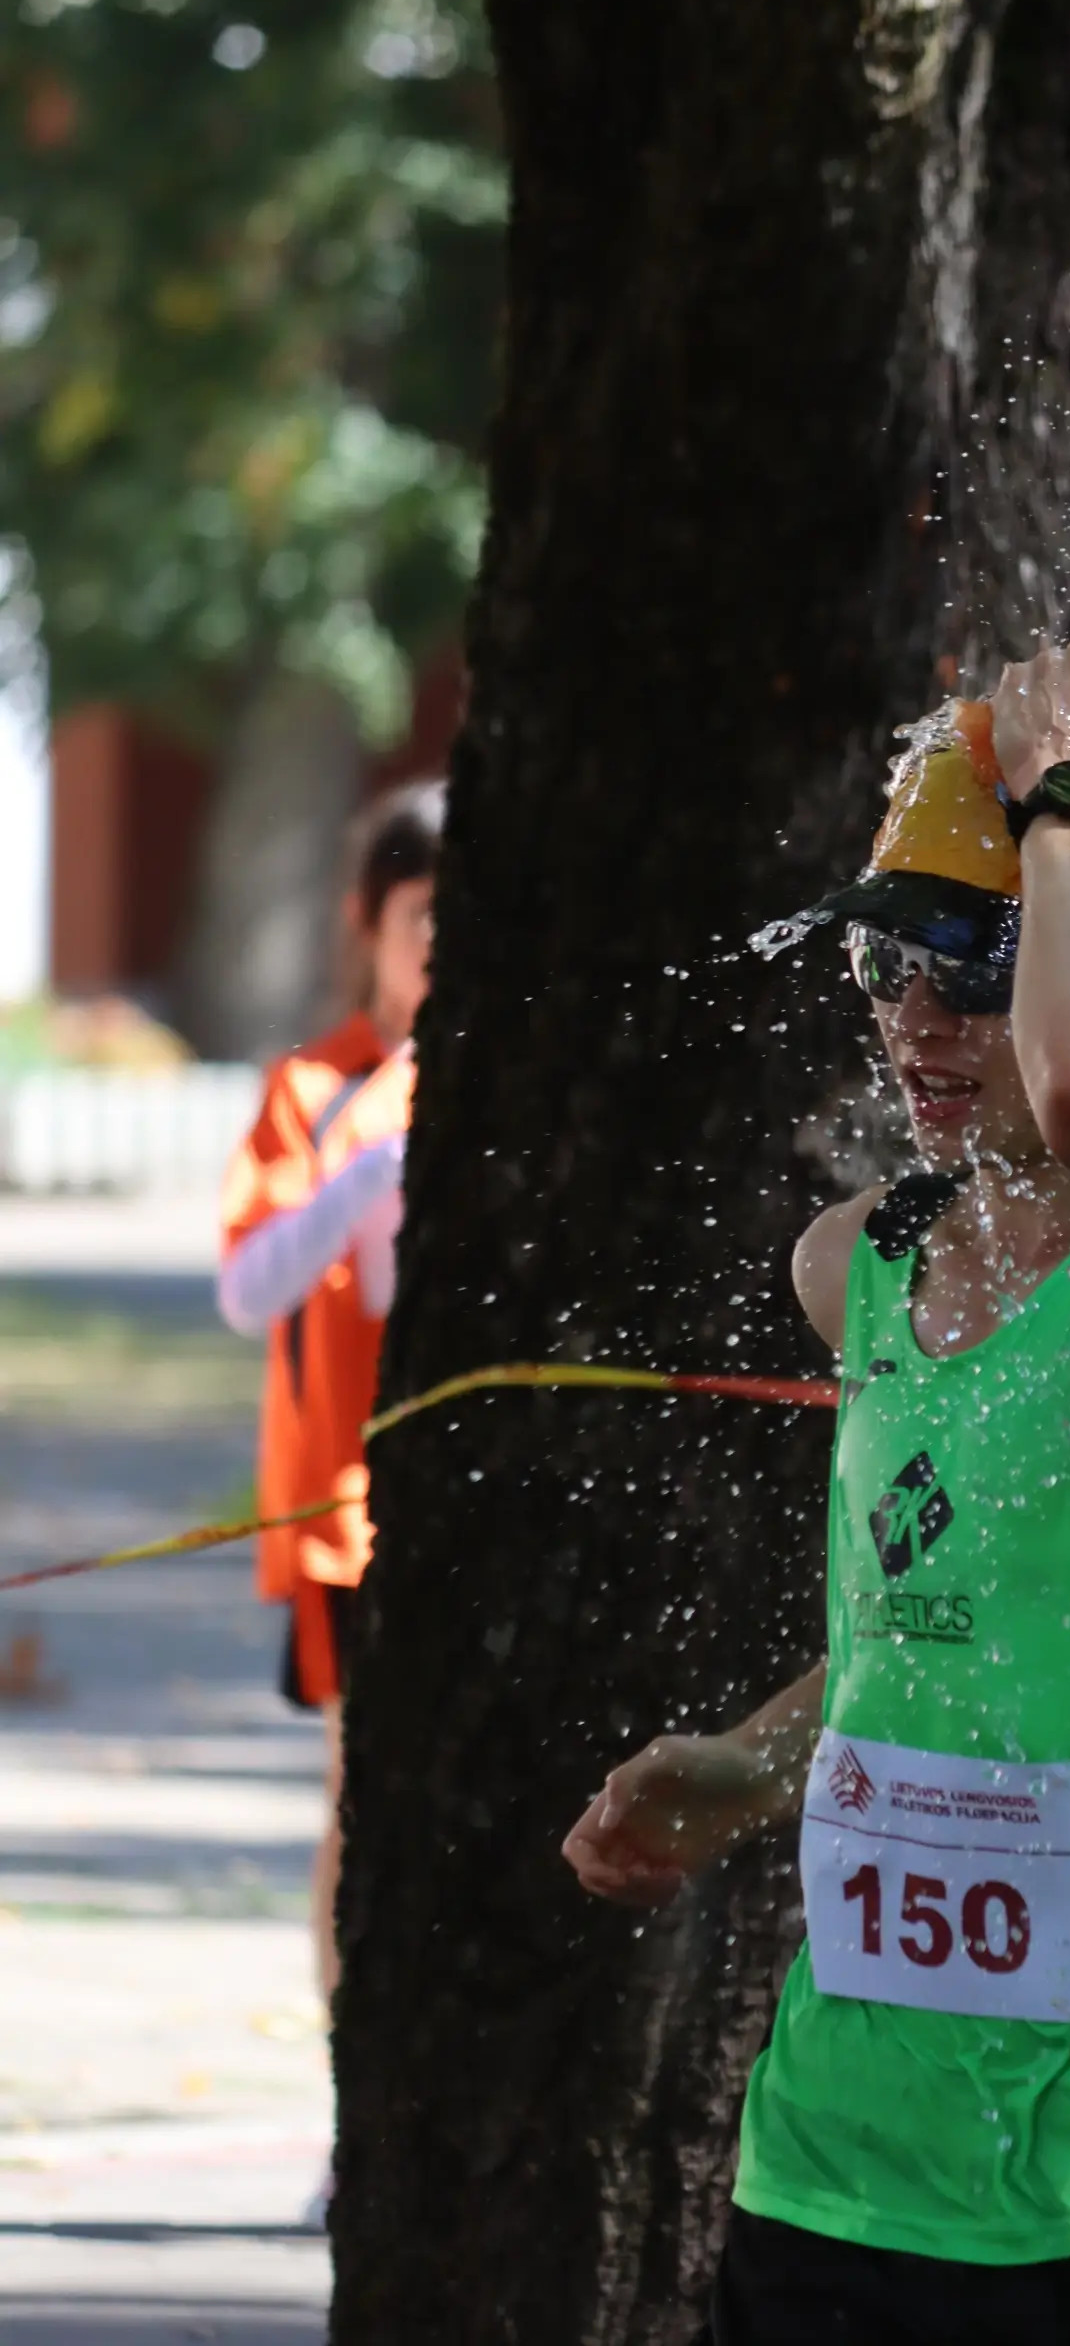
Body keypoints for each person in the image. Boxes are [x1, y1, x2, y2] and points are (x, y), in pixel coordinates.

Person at [568, 631, 1070, 2344]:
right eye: (885, 967)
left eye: (975, 966)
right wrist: (759, 1759)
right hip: (836, 2167)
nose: (915, 1024)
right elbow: (961, 1622)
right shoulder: (859, 1266)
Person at [219, 780, 441, 2012]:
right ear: (368, 917)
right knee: (361, 1805)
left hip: (463, 1493)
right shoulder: (314, 1090)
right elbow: (253, 1287)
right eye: (421, 916)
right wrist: (366, 1176)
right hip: (341, 1518)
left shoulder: (511, 1087)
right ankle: (353, 2092)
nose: (442, 945)